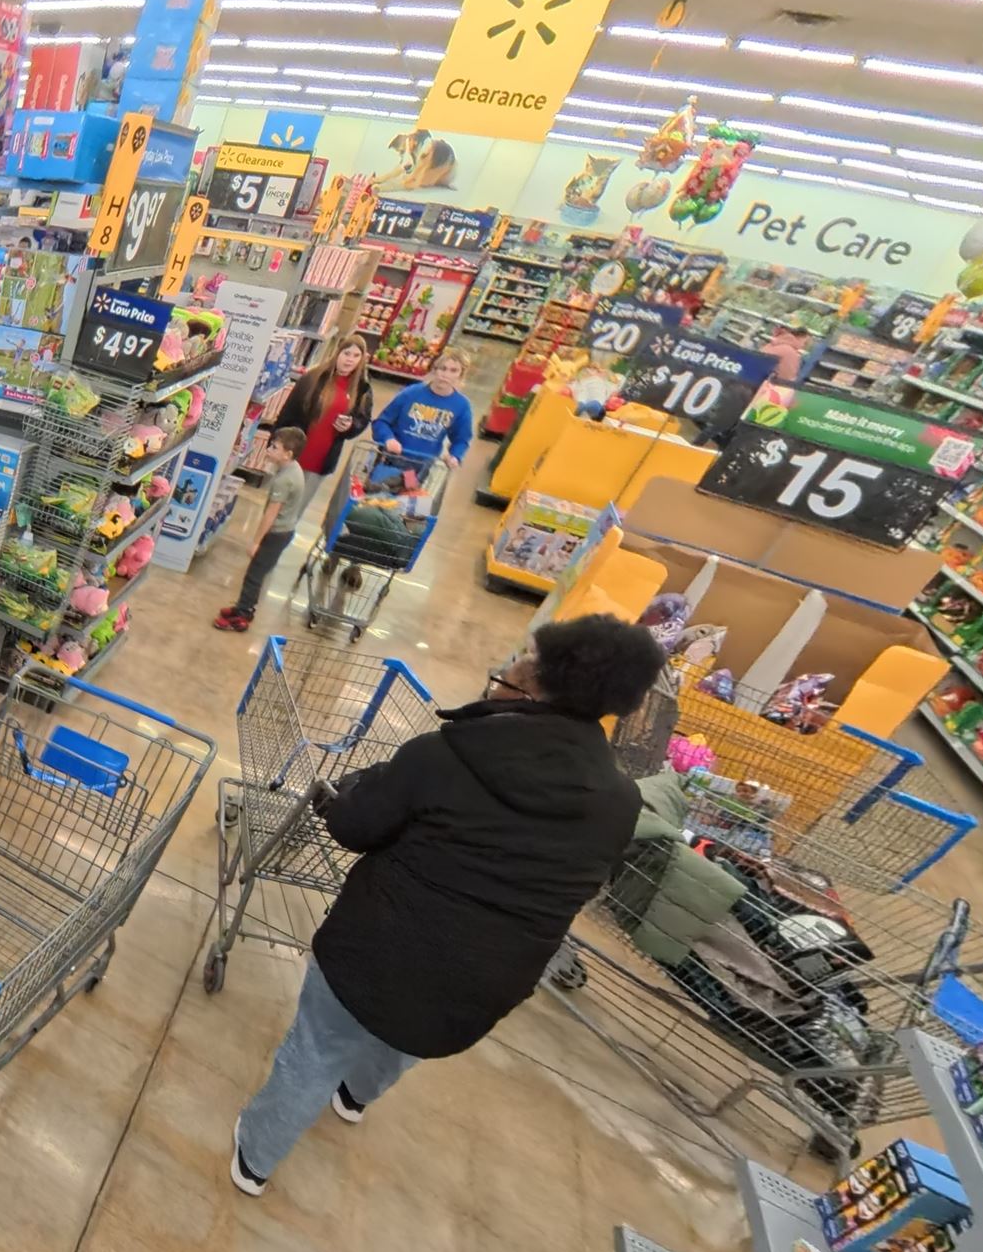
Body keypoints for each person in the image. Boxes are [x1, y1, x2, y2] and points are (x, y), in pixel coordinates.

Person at [229, 614, 665, 1195]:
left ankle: (254, 1159)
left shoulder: (445, 754)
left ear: (535, 684)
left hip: (376, 948)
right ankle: (354, 1097)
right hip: (486, 980)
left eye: (520, 656)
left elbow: (356, 828)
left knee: (317, 1047)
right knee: (405, 1035)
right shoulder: (619, 800)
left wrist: (345, 796)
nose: (507, 663)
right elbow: (583, 881)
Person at [215, 340, 377, 632]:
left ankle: (265, 559)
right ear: (337, 352)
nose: (350, 359)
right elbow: (288, 413)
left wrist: (349, 427)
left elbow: (362, 422)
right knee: (275, 507)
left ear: (362, 359)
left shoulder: (363, 390)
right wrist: (278, 442)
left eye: (356, 355)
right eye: (346, 353)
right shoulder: (313, 378)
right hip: (295, 456)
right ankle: (262, 555)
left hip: (320, 462)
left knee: (290, 516)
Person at [369, 349, 476, 492]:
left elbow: (461, 439)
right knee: (373, 498)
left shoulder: (461, 406)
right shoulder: (411, 393)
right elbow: (381, 422)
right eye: (442, 368)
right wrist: (388, 439)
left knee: (402, 505)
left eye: (453, 371)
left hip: (419, 467)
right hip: (391, 460)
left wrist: (455, 456)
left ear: (461, 375)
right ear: (435, 369)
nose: (446, 375)